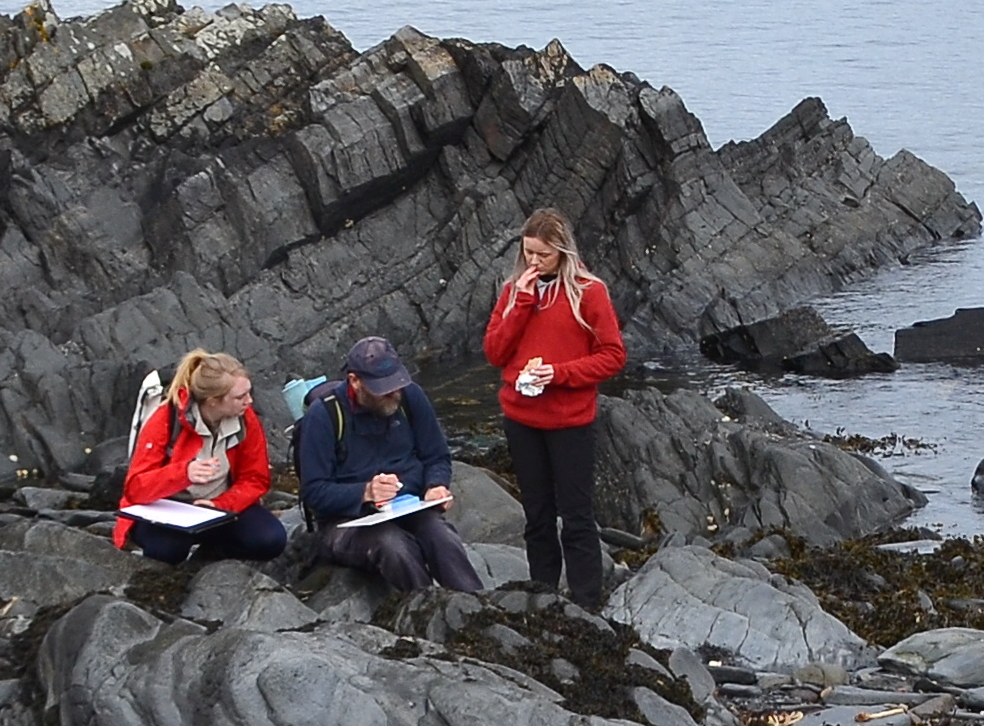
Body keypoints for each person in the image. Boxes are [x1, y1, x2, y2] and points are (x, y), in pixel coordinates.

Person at [480, 207, 628, 604]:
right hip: (521, 419)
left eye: (543, 255)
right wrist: (523, 303)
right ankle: (543, 594)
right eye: (528, 253)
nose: (534, 261)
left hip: (570, 421)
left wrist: (558, 373)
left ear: (562, 252)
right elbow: (495, 352)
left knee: (577, 518)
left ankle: (586, 601)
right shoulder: (513, 291)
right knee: (537, 516)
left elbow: (613, 355)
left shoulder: (588, 291)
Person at [291, 333, 483, 595]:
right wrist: (365, 492)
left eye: (396, 383)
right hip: (345, 523)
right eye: (382, 388)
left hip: (408, 506)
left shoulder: (410, 396)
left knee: (442, 537)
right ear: (355, 381)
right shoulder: (324, 415)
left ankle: (475, 604)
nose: (393, 393)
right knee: (394, 547)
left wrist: (436, 485)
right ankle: (426, 609)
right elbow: (314, 492)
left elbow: (436, 455)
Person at [112, 348, 290, 564]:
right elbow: (135, 488)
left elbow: (255, 479)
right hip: (166, 511)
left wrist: (220, 505)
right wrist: (184, 473)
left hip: (217, 508)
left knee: (270, 540)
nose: (249, 401)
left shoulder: (245, 419)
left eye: (248, 393)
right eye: (240, 397)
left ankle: (209, 557)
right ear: (213, 400)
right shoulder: (166, 418)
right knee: (167, 550)